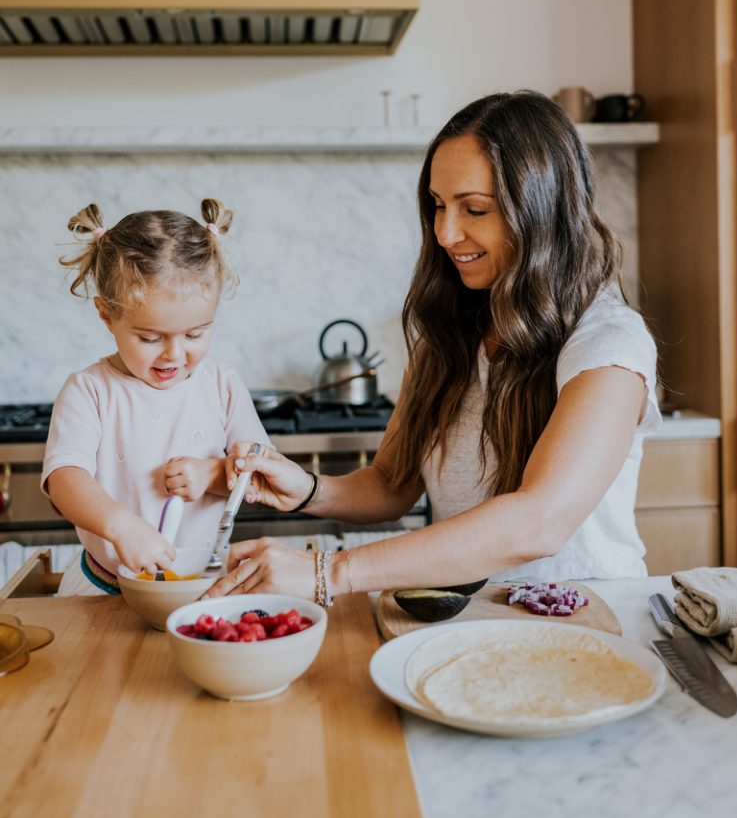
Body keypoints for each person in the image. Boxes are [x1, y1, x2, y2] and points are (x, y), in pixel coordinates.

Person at [207, 90, 661, 606]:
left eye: (475, 209)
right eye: (439, 205)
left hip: (590, 622)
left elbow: (540, 521)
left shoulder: (608, 343)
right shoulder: (450, 334)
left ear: (542, 211)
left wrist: (330, 572)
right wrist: (308, 490)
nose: (446, 233)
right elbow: (391, 484)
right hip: (472, 622)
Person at [43, 198, 269, 596]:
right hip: (103, 587)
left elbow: (259, 469)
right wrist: (120, 525)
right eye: (150, 338)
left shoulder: (221, 384)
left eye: (195, 334)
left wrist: (212, 474)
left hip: (203, 586)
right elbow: (64, 480)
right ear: (106, 315)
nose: (175, 354)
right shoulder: (89, 390)